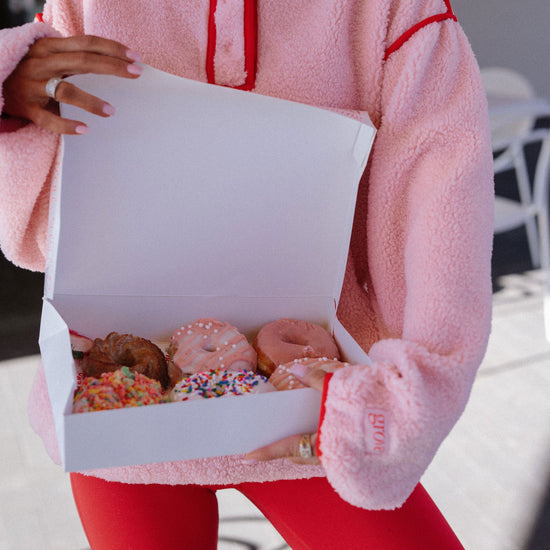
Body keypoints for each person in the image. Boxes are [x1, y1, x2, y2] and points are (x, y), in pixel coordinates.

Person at [0, 0, 493, 548]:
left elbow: (440, 204)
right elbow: (37, 235)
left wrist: (396, 406)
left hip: (324, 405)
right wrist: (10, 98)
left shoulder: (394, 9)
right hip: (117, 421)